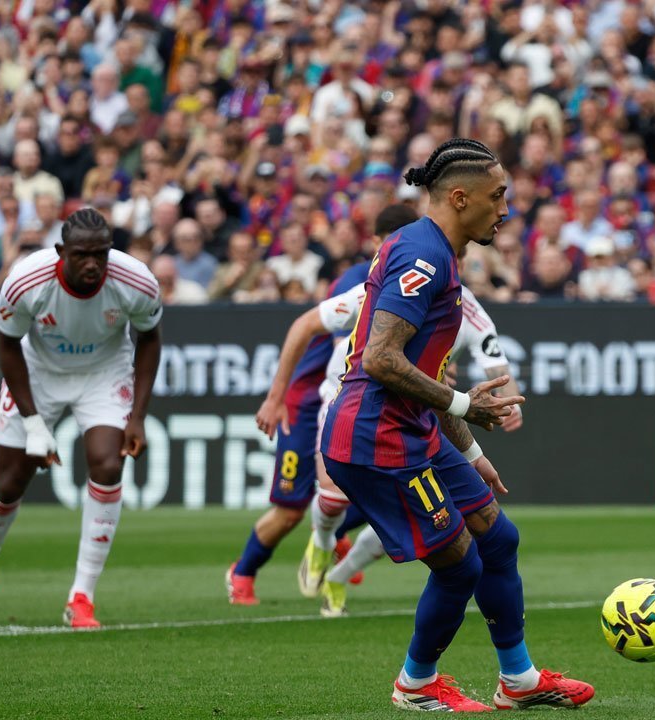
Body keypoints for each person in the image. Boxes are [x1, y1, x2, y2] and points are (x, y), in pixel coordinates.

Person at [320, 139, 593, 711]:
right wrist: (467, 406)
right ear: (461, 197)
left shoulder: (433, 250)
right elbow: (382, 360)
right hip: (378, 439)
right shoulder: (424, 258)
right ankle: (415, 685)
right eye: (498, 197)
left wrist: (471, 454)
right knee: (459, 565)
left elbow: (425, 371)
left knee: (499, 538)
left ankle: (518, 681)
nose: (505, 210)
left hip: (413, 427)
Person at [255, 223, 525, 618]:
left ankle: (339, 576)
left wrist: (510, 402)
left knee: (413, 516)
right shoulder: (389, 288)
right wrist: (276, 395)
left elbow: (497, 366)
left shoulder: (469, 311)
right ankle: (323, 542)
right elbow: (308, 325)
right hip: (347, 400)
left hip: (419, 414)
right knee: (333, 498)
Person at [226, 207, 417, 605]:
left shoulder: (414, 281)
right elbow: (346, 347)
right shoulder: (359, 280)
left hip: (352, 398)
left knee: (377, 485)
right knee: (291, 508)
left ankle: (331, 536)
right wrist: (276, 398)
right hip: (309, 401)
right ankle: (242, 572)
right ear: (377, 243)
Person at [0, 209, 163, 628]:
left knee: (108, 464)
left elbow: (149, 339)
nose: (92, 263)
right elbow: (8, 345)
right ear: (60, 251)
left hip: (104, 373)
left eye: (100, 254)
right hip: (37, 371)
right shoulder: (26, 280)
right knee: (10, 483)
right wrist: (34, 424)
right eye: (82, 254)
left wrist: (137, 417)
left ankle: (82, 596)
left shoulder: (136, 281)